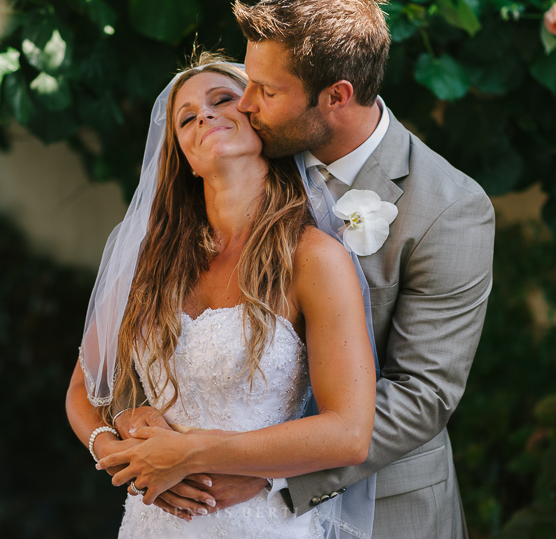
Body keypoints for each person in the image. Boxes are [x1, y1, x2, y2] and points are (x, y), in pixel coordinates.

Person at [117, 1, 497, 537]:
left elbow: (422, 394)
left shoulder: (448, 208)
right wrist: (139, 424)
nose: (246, 104)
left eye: (267, 91)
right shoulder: (251, 148)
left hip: (385, 504)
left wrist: (263, 471)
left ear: (336, 97)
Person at [65, 55, 379, 538]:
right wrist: (119, 445)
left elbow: (348, 433)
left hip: (261, 523)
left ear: (260, 121)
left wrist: (189, 454)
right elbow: (83, 393)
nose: (205, 117)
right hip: (155, 522)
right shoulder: (150, 260)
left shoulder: (313, 258)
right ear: (185, 156)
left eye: (221, 101)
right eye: (187, 118)